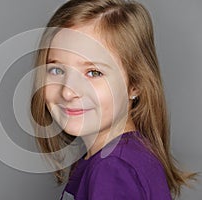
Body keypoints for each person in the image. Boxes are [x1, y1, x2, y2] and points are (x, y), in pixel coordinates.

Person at [30, 0, 197, 199]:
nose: (68, 92)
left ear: (135, 85)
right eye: (57, 70)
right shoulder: (116, 158)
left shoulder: (113, 169)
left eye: (93, 73)